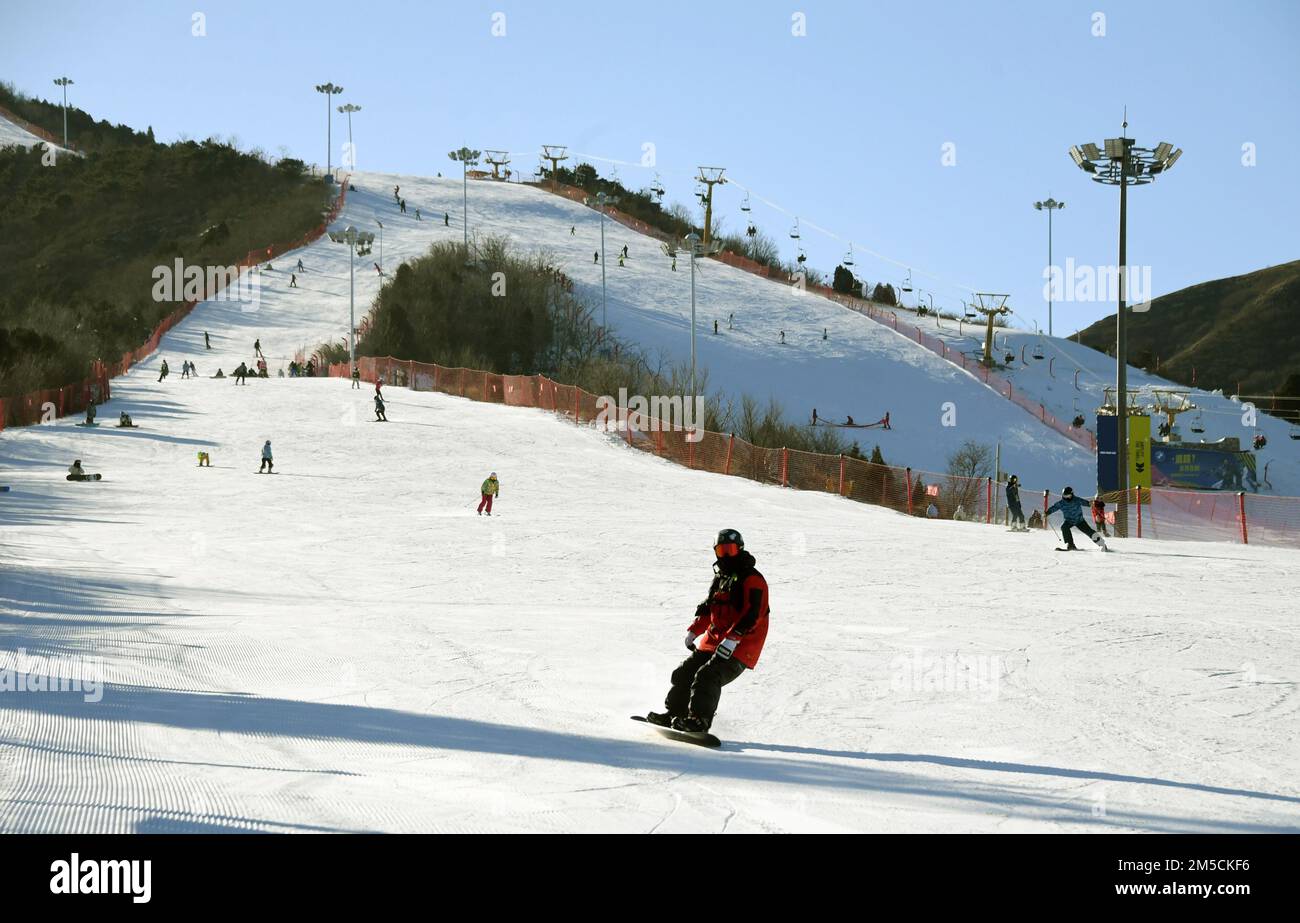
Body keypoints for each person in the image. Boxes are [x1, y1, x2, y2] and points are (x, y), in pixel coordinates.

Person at [645, 529, 769, 733]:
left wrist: (733, 639)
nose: (726, 556)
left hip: (741, 647)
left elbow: (752, 615)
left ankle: (699, 720)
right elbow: (709, 608)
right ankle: (675, 714)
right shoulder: (721, 578)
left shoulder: (753, 580)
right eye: (722, 551)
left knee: (707, 676)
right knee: (684, 673)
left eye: (730, 550)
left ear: (740, 549)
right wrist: (695, 631)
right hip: (714, 642)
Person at [1047, 487, 1107, 551]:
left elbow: (1085, 502)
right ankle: (1070, 545)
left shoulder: (1076, 500)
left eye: (1068, 496)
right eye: (1065, 496)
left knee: (1089, 531)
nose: (1067, 497)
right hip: (1069, 520)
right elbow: (1054, 507)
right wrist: (1047, 513)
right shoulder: (1061, 503)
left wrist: (1089, 503)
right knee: (1064, 527)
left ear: (1072, 494)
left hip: (1079, 520)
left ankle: (1102, 544)